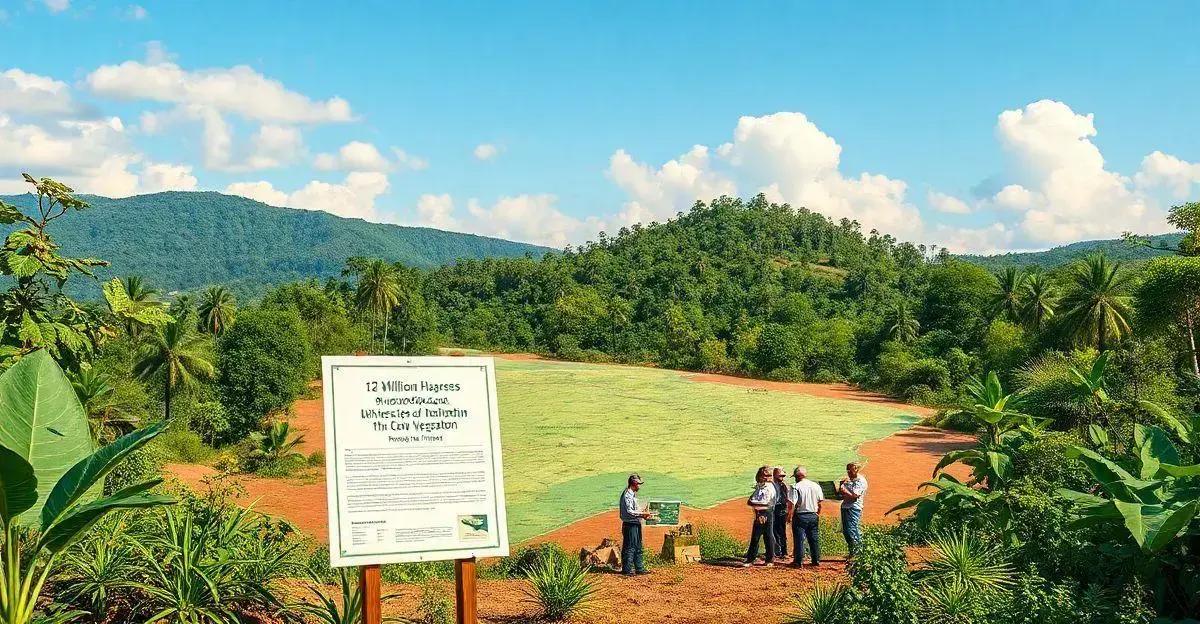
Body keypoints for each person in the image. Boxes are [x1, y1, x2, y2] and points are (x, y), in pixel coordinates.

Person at [786, 465, 824, 566]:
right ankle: (816, 560)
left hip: (800, 515)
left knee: (799, 539)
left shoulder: (795, 487)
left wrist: (789, 516)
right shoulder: (815, 485)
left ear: (797, 477)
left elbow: (792, 504)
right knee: (814, 538)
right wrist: (817, 514)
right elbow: (820, 502)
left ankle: (798, 562)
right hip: (813, 515)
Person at [619, 473, 653, 576]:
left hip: (635, 523)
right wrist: (643, 514)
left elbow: (635, 510)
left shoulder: (632, 494)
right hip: (630, 525)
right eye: (638, 484)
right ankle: (627, 570)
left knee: (638, 546)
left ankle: (639, 568)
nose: (639, 486)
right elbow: (629, 511)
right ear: (633, 483)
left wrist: (643, 514)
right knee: (630, 547)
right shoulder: (627, 495)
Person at [742, 465, 777, 568]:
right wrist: (753, 503)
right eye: (765, 475)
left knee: (764, 536)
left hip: (765, 512)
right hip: (759, 512)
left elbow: (764, 502)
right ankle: (758, 558)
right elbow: (751, 500)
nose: (767, 478)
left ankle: (763, 559)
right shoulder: (761, 486)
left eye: (769, 476)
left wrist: (754, 504)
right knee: (760, 536)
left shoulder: (769, 487)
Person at [837, 462, 868, 556]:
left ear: (856, 470)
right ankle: (853, 552)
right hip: (845, 507)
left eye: (850, 470)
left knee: (851, 530)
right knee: (846, 531)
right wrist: (840, 487)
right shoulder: (849, 480)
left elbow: (855, 496)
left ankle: (858, 553)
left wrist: (844, 489)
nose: (848, 472)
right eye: (847, 470)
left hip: (853, 508)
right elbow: (841, 496)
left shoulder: (860, 481)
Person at [771, 467, 789, 560]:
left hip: (781, 509)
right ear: (775, 475)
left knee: (782, 532)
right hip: (773, 508)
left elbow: (787, 498)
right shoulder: (771, 485)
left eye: (783, 476)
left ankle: (784, 551)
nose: (782, 478)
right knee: (773, 531)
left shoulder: (783, 485)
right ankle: (775, 550)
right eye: (780, 476)